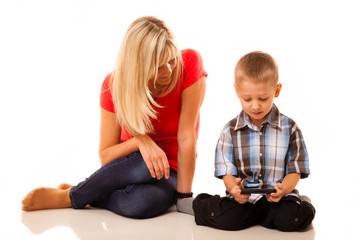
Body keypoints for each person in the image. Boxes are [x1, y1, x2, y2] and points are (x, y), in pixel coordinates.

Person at [21, 16, 207, 219]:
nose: (169, 71)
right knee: (144, 166)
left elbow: (187, 136)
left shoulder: (190, 62)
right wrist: (140, 142)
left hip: (170, 169)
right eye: (157, 66)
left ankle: (87, 191)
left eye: (171, 60)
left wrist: (183, 196)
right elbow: (106, 156)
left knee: (140, 203)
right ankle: (71, 197)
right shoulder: (113, 86)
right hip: (133, 166)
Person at [192, 51, 315, 231]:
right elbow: (227, 172)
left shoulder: (291, 128)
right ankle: (203, 202)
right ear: (237, 91)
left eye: (263, 98)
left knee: (295, 219)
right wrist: (233, 189)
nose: (255, 105)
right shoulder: (230, 130)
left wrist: (284, 189)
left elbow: (295, 171)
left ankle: (300, 203)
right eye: (247, 99)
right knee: (225, 220)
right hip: (244, 201)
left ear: (277, 90)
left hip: (278, 200)